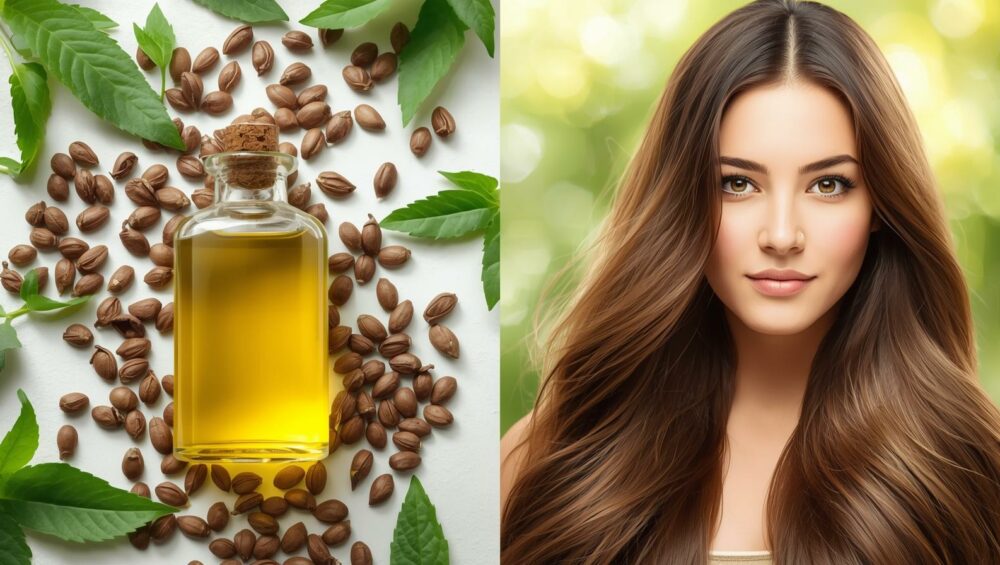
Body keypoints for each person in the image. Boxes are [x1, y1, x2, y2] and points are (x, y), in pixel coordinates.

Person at [500, 1, 1000, 563]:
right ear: (682, 198)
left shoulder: (967, 462)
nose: (782, 235)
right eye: (737, 183)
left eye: (829, 185)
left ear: (881, 202)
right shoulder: (559, 450)